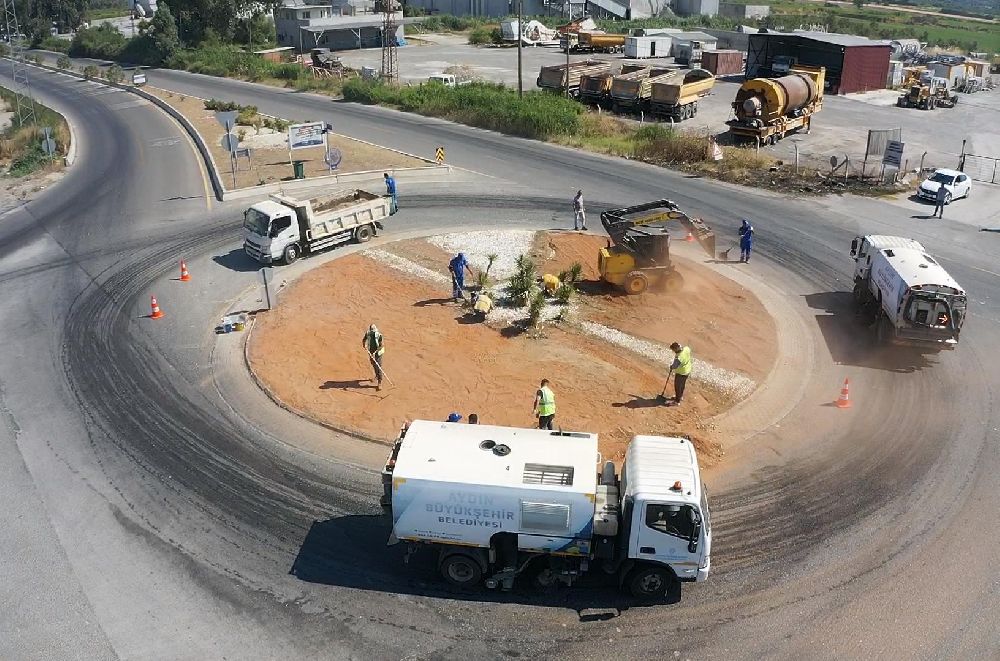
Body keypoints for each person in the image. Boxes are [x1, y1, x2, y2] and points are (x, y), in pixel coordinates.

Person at [362, 324, 385, 390]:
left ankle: (379, 382)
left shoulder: (379, 335)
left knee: (378, 366)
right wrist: (364, 345)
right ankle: (377, 376)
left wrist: (375, 353)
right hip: (371, 351)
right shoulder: (368, 333)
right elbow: (364, 339)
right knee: (374, 364)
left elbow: (381, 345)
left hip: (378, 352)